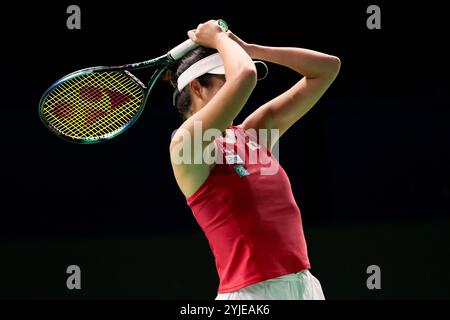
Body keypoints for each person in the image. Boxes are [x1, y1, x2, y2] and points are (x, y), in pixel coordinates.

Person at [168, 20, 340, 300]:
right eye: (225, 77)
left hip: (304, 286)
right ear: (198, 87)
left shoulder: (252, 134)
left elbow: (326, 69)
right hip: (251, 294)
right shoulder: (187, 144)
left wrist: (251, 49)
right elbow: (246, 75)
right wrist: (219, 39)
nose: (237, 83)